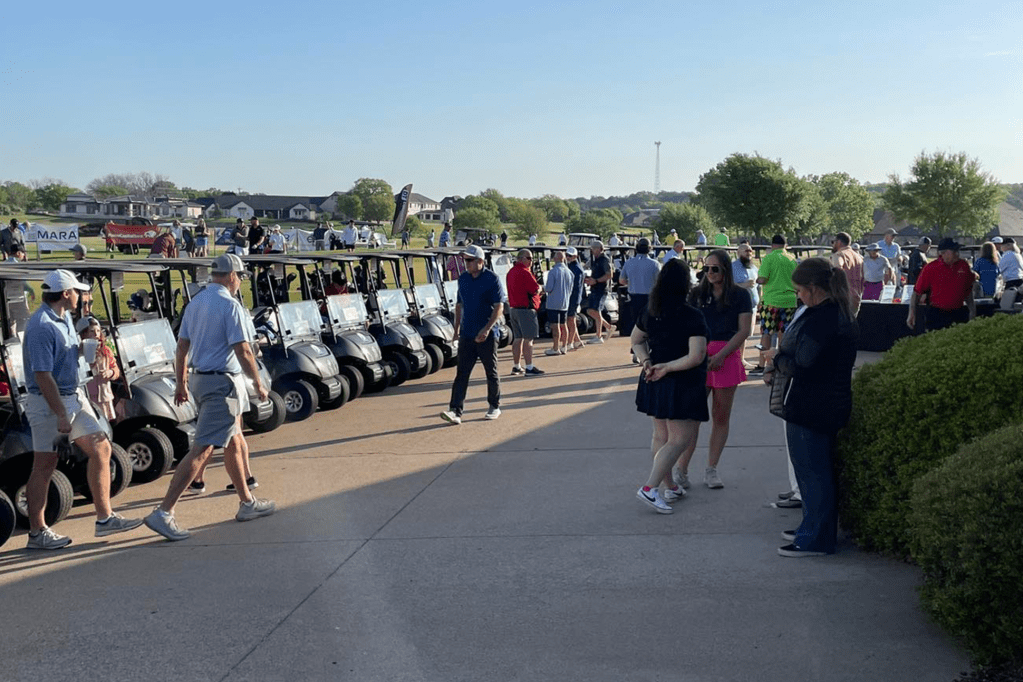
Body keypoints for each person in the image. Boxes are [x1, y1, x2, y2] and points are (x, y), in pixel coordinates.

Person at [144, 254, 275, 541]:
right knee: (203, 448)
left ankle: (246, 502)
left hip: (202, 379)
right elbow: (243, 350)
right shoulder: (231, 306)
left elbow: (181, 348)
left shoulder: (196, 303)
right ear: (231, 276)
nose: (239, 281)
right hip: (222, 383)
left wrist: (182, 383)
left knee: (232, 438)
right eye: (239, 276)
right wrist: (257, 383)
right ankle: (164, 511)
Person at [22, 270, 144, 549]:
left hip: (72, 396)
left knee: (102, 447)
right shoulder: (42, 325)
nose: (81, 296)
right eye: (77, 291)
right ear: (66, 294)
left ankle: (104, 518)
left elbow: (60, 357)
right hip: (49, 404)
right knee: (45, 465)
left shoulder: (64, 318)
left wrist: (80, 350)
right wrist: (61, 414)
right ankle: (37, 532)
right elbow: (43, 375)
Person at [763, 258, 858, 557]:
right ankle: (814, 527)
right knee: (814, 472)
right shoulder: (834, 313)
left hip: (813, 405)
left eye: (800, 290)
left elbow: (804, 365)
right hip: (823, 402)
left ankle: (816, 537)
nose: (798, 296)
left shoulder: (821, 320)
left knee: (813, 473)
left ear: (815, 289)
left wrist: (776, 358)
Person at [631, 259, 709, 514]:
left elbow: (636, 340)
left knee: (661, 436)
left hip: (654, 379)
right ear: (686, 283)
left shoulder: (650, 310)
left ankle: (670, 486)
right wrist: (668, 367)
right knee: (679, 439)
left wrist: (648, 362)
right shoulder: (692, 315)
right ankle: (650, 488)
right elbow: (696, 356)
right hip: (681, 383)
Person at [675, 249, 753, 490]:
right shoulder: (696, 295)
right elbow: (685, 325)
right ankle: (681, 469)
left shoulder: (741, 295)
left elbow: (744, 331)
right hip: (698, 357)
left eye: (715, 268)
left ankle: (711, 469)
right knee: (692, 417)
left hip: (727, 355)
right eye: (706, 268)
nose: (709, 273)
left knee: (720, 416)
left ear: (725, 270)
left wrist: (721, 355)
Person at [440, 245, 503, 424]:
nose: (465, 263)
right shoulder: (463, 279)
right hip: (467, 333)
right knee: (462, 373)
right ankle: (455, 411)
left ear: (480, 261)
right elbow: (459, 305)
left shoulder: (492, 279)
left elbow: (499, 307)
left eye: (469, 260)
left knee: (491, 371)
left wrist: (487, 328)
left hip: (487, 335)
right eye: (464, 260)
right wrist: (456, 329)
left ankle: (494, 405)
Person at [907, 238, 976, 332]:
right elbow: (917, 292)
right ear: (943, 253)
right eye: (954, 251)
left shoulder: (963, 265)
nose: (957, 254)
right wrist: (912, 313)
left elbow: (968, 290)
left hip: (958, 313)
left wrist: (972, 310)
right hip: (937, 314)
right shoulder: (931, 268)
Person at [753, 235, 798, 374]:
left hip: (771, 301)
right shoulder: (792, 259)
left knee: (766, 333)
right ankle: (781, 363)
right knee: (784, 333)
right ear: (786, 245)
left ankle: (764, 365)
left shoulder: (769, 258)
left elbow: (762, 279)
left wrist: (758, 279)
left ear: (772, 245)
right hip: (790, 300)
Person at [506, 249, 545, 375]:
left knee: (518, 338)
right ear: (521, 258)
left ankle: (516, 366)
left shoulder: (511, 272)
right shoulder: (525, 272)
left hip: (514, 309)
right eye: (529, 258)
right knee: (529, 339)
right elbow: (534, 288)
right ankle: (529, 367)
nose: (531, 261)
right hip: (526, 309)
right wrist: (540, 289)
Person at [618, 237, 660, 346]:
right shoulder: (655, 264)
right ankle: (648, 349)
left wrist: (632, 282)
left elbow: (621, 280)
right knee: (650, 325)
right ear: (649, 249)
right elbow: (660, 282)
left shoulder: (629, 263)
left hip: (634, 298)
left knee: (636, 325)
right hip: (649, 298)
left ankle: (636, 350)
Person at [77, 316, 119, 421]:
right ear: (83, 334)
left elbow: (116, 370)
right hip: (89, 398)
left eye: (98, 331)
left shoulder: (106, 351)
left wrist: (111, 372)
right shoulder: (79, 352)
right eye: (92, 331)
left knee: (108, 424)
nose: (96, 334)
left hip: (105, 398)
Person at [543, 250, 573, 356]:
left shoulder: (553, 271)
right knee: (563, 325)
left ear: (556, 259)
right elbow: (570, 288)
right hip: (565, 302)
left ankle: (555, 347)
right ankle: (564, 346)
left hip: (553, 302)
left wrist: (542, 288)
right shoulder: (569, 272)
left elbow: (549, 288)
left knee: (555, 326)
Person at [585, 240, 614, 343]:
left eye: (593, 248)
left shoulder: (604, 260)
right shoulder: (595, 260)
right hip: (595, 288)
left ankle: (599, 335)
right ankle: (607, 328)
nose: (591, 250)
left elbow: (609, 275)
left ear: (598, 249)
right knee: (592, 311)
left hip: (601, 289)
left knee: (595, 311)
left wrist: (596, 281)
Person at [830, 232, 864, 313]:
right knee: (851, 324)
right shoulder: (858, 257)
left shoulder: (840, 255)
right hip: (856, 298)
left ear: (839, 242)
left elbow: (837, 269)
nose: (832, 245)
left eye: (833, 242)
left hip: (842, 297)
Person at [565, 247, 585, 350]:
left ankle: (570, 342)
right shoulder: (571, 266)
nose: (568, 257)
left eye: (570, 255)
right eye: (567, 255)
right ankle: (577, 341)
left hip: (573, 297)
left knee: (571, 319)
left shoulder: (577, 269)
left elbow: (575, 287)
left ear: (576, 256)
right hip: (572, 297)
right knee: (570, 319)